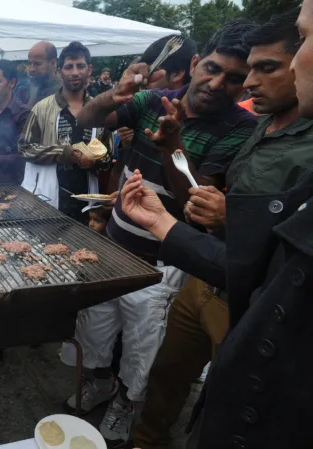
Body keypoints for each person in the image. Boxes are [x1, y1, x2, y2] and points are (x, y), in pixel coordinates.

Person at [71, 21, 258, 445]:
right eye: (212, 68)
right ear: (194, 64)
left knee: (142, 346)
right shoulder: (154, 98)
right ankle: (99, 382)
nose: (217, 83)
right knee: (96, 329)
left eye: (234, 79)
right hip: (113, 244)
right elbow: (87, 117)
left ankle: (124, 405)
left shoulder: (239, 130)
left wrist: (172, 150)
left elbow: (198, 209)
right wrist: (111, 95)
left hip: (164, 262)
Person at [133, 11, 311, 448]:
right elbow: (217, 195)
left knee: (227, 402)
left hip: (250, 301)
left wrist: (229, 218)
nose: (249, 84)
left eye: (265, 69)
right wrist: (175, 151)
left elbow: (289, 251)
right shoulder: (264, 125)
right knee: (167, 375)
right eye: (249, 69)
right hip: (203, 280)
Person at [18, 41, 113, 222]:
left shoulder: (100, 110)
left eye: (80, 66)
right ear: (60, 71)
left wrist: (93, 161)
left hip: (86, 202)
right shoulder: (42, 108)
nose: (75, 72)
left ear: (89, 69)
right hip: (46, 200)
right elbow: (24, 148)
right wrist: (63, 152)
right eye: (69, 67)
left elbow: (108, 157)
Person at [15, 40, 61, 108]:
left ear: (52, 63)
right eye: (30, 64)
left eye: (37, 64)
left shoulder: (63, 91)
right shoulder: (24, 88)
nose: (31, 69)